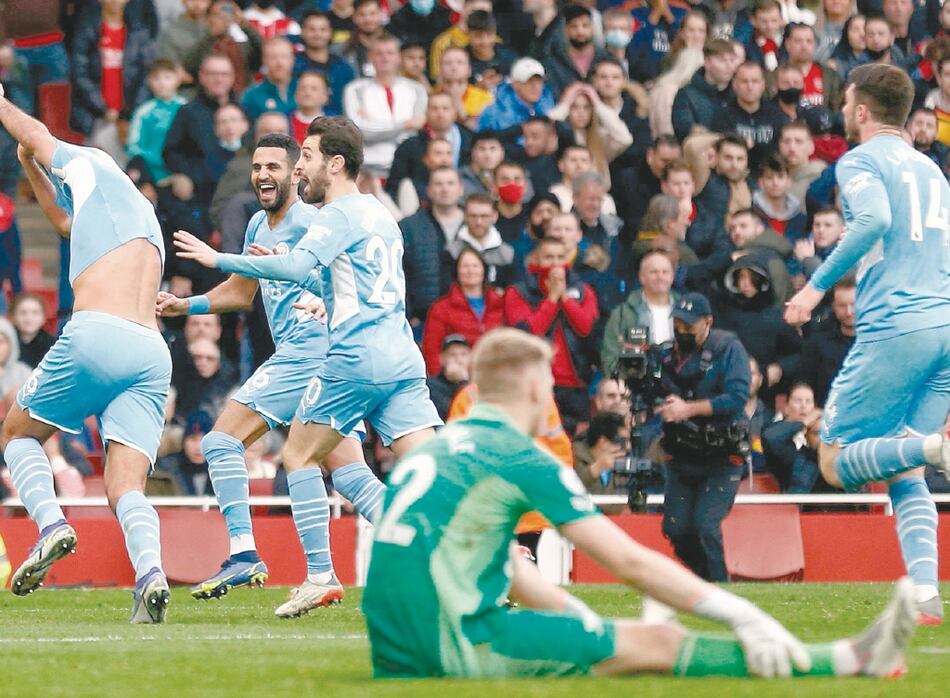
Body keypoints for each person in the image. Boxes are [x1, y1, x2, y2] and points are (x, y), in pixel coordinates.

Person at [362, 326, 919, 680]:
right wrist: (741, 613)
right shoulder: (521, 459)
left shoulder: (430, 453)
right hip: (450, 647)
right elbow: (627, 561)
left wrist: (580, 622)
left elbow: (506, 566)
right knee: (658, 640)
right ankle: (848, 661)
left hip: (392, 651)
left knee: (607, 652)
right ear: (536, 391)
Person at [173, 115, 442, 604]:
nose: (292, 173)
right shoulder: (377, 213)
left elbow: (298, 266)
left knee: (273, 451)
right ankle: (466, 562)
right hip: (400, 355)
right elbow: (338, 279)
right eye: (259, 166)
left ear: (330, 164)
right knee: (379, 472)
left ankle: (289, 566)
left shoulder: (327, 216)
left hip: (335, 353)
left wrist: (220, 258)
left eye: (301, 161)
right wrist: (189, 304)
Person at [158, 133, 379, 610]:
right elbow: (240, 293)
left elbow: (349, 275)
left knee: (220, 441)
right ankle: (440, 555)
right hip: (328, 362)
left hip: (309, 351)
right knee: (352, 477)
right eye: (258, 167)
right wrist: (186, 306)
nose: (263, 174)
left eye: (274, 167)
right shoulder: (259, 224)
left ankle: (243, 553)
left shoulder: (315, 221)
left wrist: (324, 301)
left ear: (296, 173)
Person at [785, 63, 950, 625]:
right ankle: (926, 594)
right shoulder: (932, 170)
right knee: (903, 472)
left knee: (834, 461)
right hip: (944, 327)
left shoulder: (859, 160)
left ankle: (935, 449)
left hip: (896, 327)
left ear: (859, 110)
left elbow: (874, 218)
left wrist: (812, 290)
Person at [0, 84, 172, 623]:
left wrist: (5, 109)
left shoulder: (91, 162)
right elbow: (62, 221)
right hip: (151, 351)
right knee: (126, 486)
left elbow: (36, 133)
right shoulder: (136, 214)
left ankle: (50, 524)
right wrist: (32, 166)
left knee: (16, 434)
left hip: (99, 333)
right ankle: (152, 575)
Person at [657, 293, 750, 582]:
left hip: (721, 453)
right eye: (677, 324)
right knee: (675, 528)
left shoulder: (728, 349)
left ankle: (721, 590)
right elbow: (655, 394)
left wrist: (689, 410)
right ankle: (708, 583)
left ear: (707, 322)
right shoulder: (665, 355)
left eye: (688, 325)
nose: (681, 330)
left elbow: (737, 397)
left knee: (706, 526)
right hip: (682, 454)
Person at [504, 236, 599, 435]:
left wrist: (564, 297)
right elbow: (527, 335)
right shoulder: (518, 292)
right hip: (535, 382)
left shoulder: (583, 291)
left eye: (560, 257)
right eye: (548, 257)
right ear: (536, 261)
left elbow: (586, 329)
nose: (555, 264)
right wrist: (552, 299)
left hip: (576, 384)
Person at [342, 33, 428, 178]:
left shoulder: (417, 89)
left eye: (390, 53)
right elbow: (360, 131)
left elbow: (416, 129)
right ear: (370, 57)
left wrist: (376, 126)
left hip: (408, 167)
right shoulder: (355, 89)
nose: (385, 57)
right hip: (368, 170)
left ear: (399, 57)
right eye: (379, 53)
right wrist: (404, 125)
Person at [421, 247, 505, 376]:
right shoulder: (441, 308)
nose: (470, 271)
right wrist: (440, 382)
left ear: (484, 270)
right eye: (465, 266)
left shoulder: (501, 303)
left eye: (475, 266)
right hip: (457, 378)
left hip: (496, 376)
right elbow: (431, 352)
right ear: (457, 272)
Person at [601, 251, 682, 374]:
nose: (660, 276)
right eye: (654, 272)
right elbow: (610, 358)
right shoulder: (623, 314)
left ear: (672, 276)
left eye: (665, 272)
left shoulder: (686, 310)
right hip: (636, 385)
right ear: (642, 277)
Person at [126, 59, 187, 183]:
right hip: (150, 173)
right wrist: (154, 158)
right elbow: (133, 146)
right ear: (149, 81)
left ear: (177, 79)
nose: (162, 83)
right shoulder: (144, 112)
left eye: (167, 77)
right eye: (156, 78)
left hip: (181, 173)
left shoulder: (186, 108)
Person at [426, 334, 472, 421]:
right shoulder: (430, 386)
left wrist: (464, 382)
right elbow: (448, 413)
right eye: (452, 355)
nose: (459, 359)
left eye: (463, 354)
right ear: (442, 358)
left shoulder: (477, 385)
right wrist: (462, 382)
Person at [9, 292, 55, 369]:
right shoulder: (5, 341)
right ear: (13, 317)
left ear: (44, 318)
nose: (29, 318)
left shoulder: (53, 345)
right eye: (23, 313)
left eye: (35, 313)